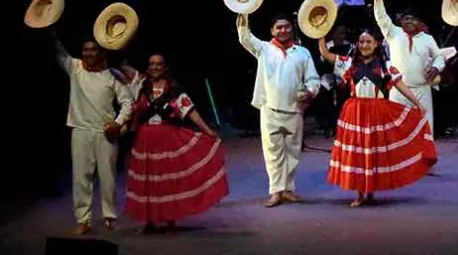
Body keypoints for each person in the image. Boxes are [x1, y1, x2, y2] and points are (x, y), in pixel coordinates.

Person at [319, 28, 436, 206]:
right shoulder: (350, 64)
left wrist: (417, 104)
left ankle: (371, 190)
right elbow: (326, 54)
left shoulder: (385, 66)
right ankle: (359, 193)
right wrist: (320, 34)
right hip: (355, 112)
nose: (364, 45)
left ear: (376, 44)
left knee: (373, 151)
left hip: (376, 113)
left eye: (368, 41)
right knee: (358, 152)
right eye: (362, 42)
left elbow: (401, 86)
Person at [124, 53, 229, 233]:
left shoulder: (173, 88)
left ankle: (170, 218)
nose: (155, 67)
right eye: (152, 64)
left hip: (166, 138)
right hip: (145, 139)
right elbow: (123, 68)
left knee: (167, 179)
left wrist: (207, 130)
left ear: (165, 67)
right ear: (147, 67)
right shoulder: (141, 85)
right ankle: (150, 220)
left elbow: (190, 111)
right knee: (149, 180)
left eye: (159, 64)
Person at [236, 13, 320, 208]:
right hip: (270, 109)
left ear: (292, 29)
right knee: (273, 153)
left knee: (293, 152)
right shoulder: (264, 49)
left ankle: (288, 190)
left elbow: (313, 79)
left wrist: (309, 92)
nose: (283, 30)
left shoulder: (302, 52)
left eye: (286, 27)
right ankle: (275, 191)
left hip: (295, 110)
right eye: (278, 27)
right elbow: (244, 38)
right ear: (272, 31)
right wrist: (243, 13)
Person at [54, 36, 134, 235]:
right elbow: (60, 52)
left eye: (93, 50)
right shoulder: (76, 69)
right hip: (80, 130)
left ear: (102, 53)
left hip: (105, 133)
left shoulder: (112, 75)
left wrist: (118, 122)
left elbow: (127, 102)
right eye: (85, 49)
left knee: (108, 178)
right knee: (81, 178)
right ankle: (83, 220)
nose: (88, 53)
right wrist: (51, 31)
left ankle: (110, 217)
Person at [374, 0, 446, 130]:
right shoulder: (393, 33)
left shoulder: (427, 39)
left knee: (425, 128)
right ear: (401, 21)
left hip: (422, 90)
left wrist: (436, 67)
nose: (408, 22)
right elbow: (381, 17)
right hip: (399, 91)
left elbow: (439, 56)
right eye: (406, 19)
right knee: (397, 129)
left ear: (419, 23)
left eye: (412, 19)